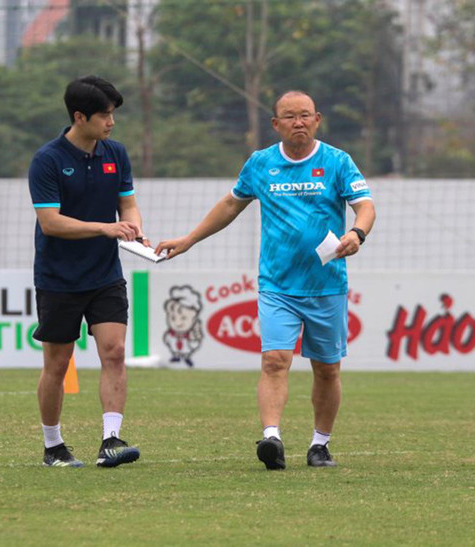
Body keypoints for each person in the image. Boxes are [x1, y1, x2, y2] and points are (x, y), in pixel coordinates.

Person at [156, 90, 375, 470]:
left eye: (305, 116)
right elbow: (230, 205)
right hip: (277, 285)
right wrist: (189, 240)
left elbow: (366, 206)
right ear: (276, 124)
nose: (299, 123)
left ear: (317, 119)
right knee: (275, 360)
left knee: (327, 368)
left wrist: (357, 233)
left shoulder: (338, 161)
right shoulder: (261, 164)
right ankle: (271, 439)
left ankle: (319, 444)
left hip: (326, 284)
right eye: (290, 117)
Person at [28, 75, 148, 468]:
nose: (111, 122)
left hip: (105, 275)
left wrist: (134, 228)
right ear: (79, 117)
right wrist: (105, 227)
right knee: (58, 365)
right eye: (105, 115)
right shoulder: (47, 160)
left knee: (114, 352)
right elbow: (51, 222)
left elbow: (126, 204)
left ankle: (110, 441)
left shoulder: (116, 153)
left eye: (113, 115)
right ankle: (53, 446)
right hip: (58, 278)